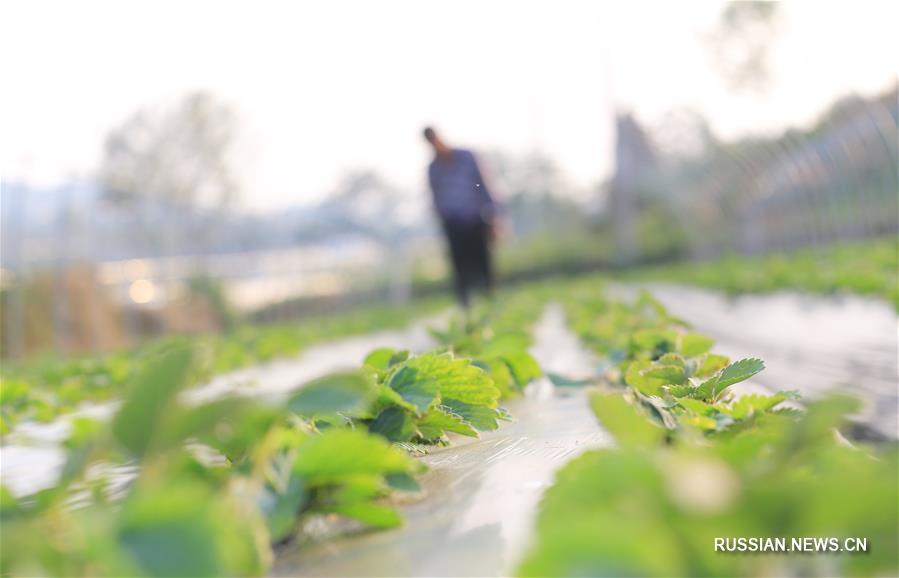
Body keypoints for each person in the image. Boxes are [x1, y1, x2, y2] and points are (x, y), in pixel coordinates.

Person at [423, 126, 496, 307]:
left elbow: (482, 184)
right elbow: (435, 196)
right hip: (453, 223)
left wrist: (493, 215)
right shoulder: (433, 169)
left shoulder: (466, 157)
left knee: (482, 263)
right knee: (460, 267)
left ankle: (489, 300)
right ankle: (466, 306)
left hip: (475, 217)